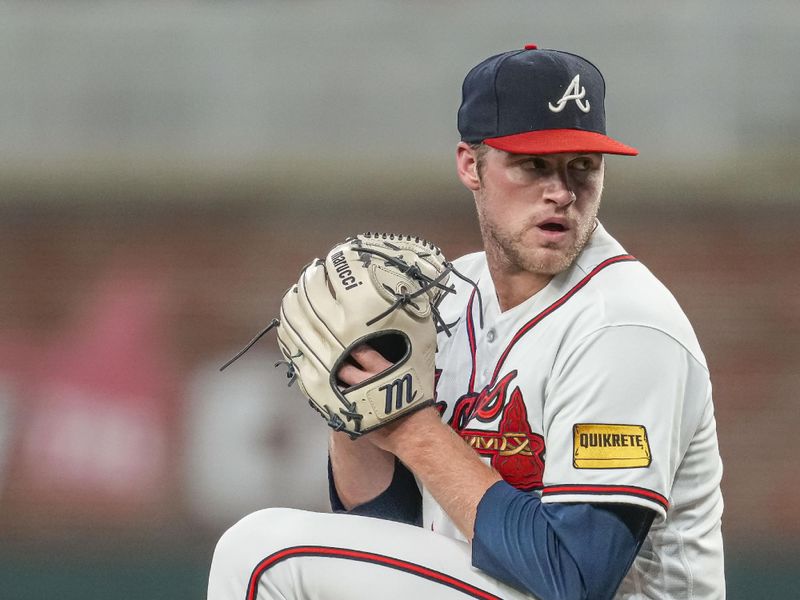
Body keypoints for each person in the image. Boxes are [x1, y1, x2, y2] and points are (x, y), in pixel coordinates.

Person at [208, 44, 725, 599]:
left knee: (258, 552)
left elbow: (574, 577)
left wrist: (413, 428)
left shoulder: (623, 326)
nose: (562, 192)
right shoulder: (446, 299)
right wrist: (352, 408)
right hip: (495, 584)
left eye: (583, 166)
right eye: (533, 165)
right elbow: (392, 532)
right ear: (469, 165)